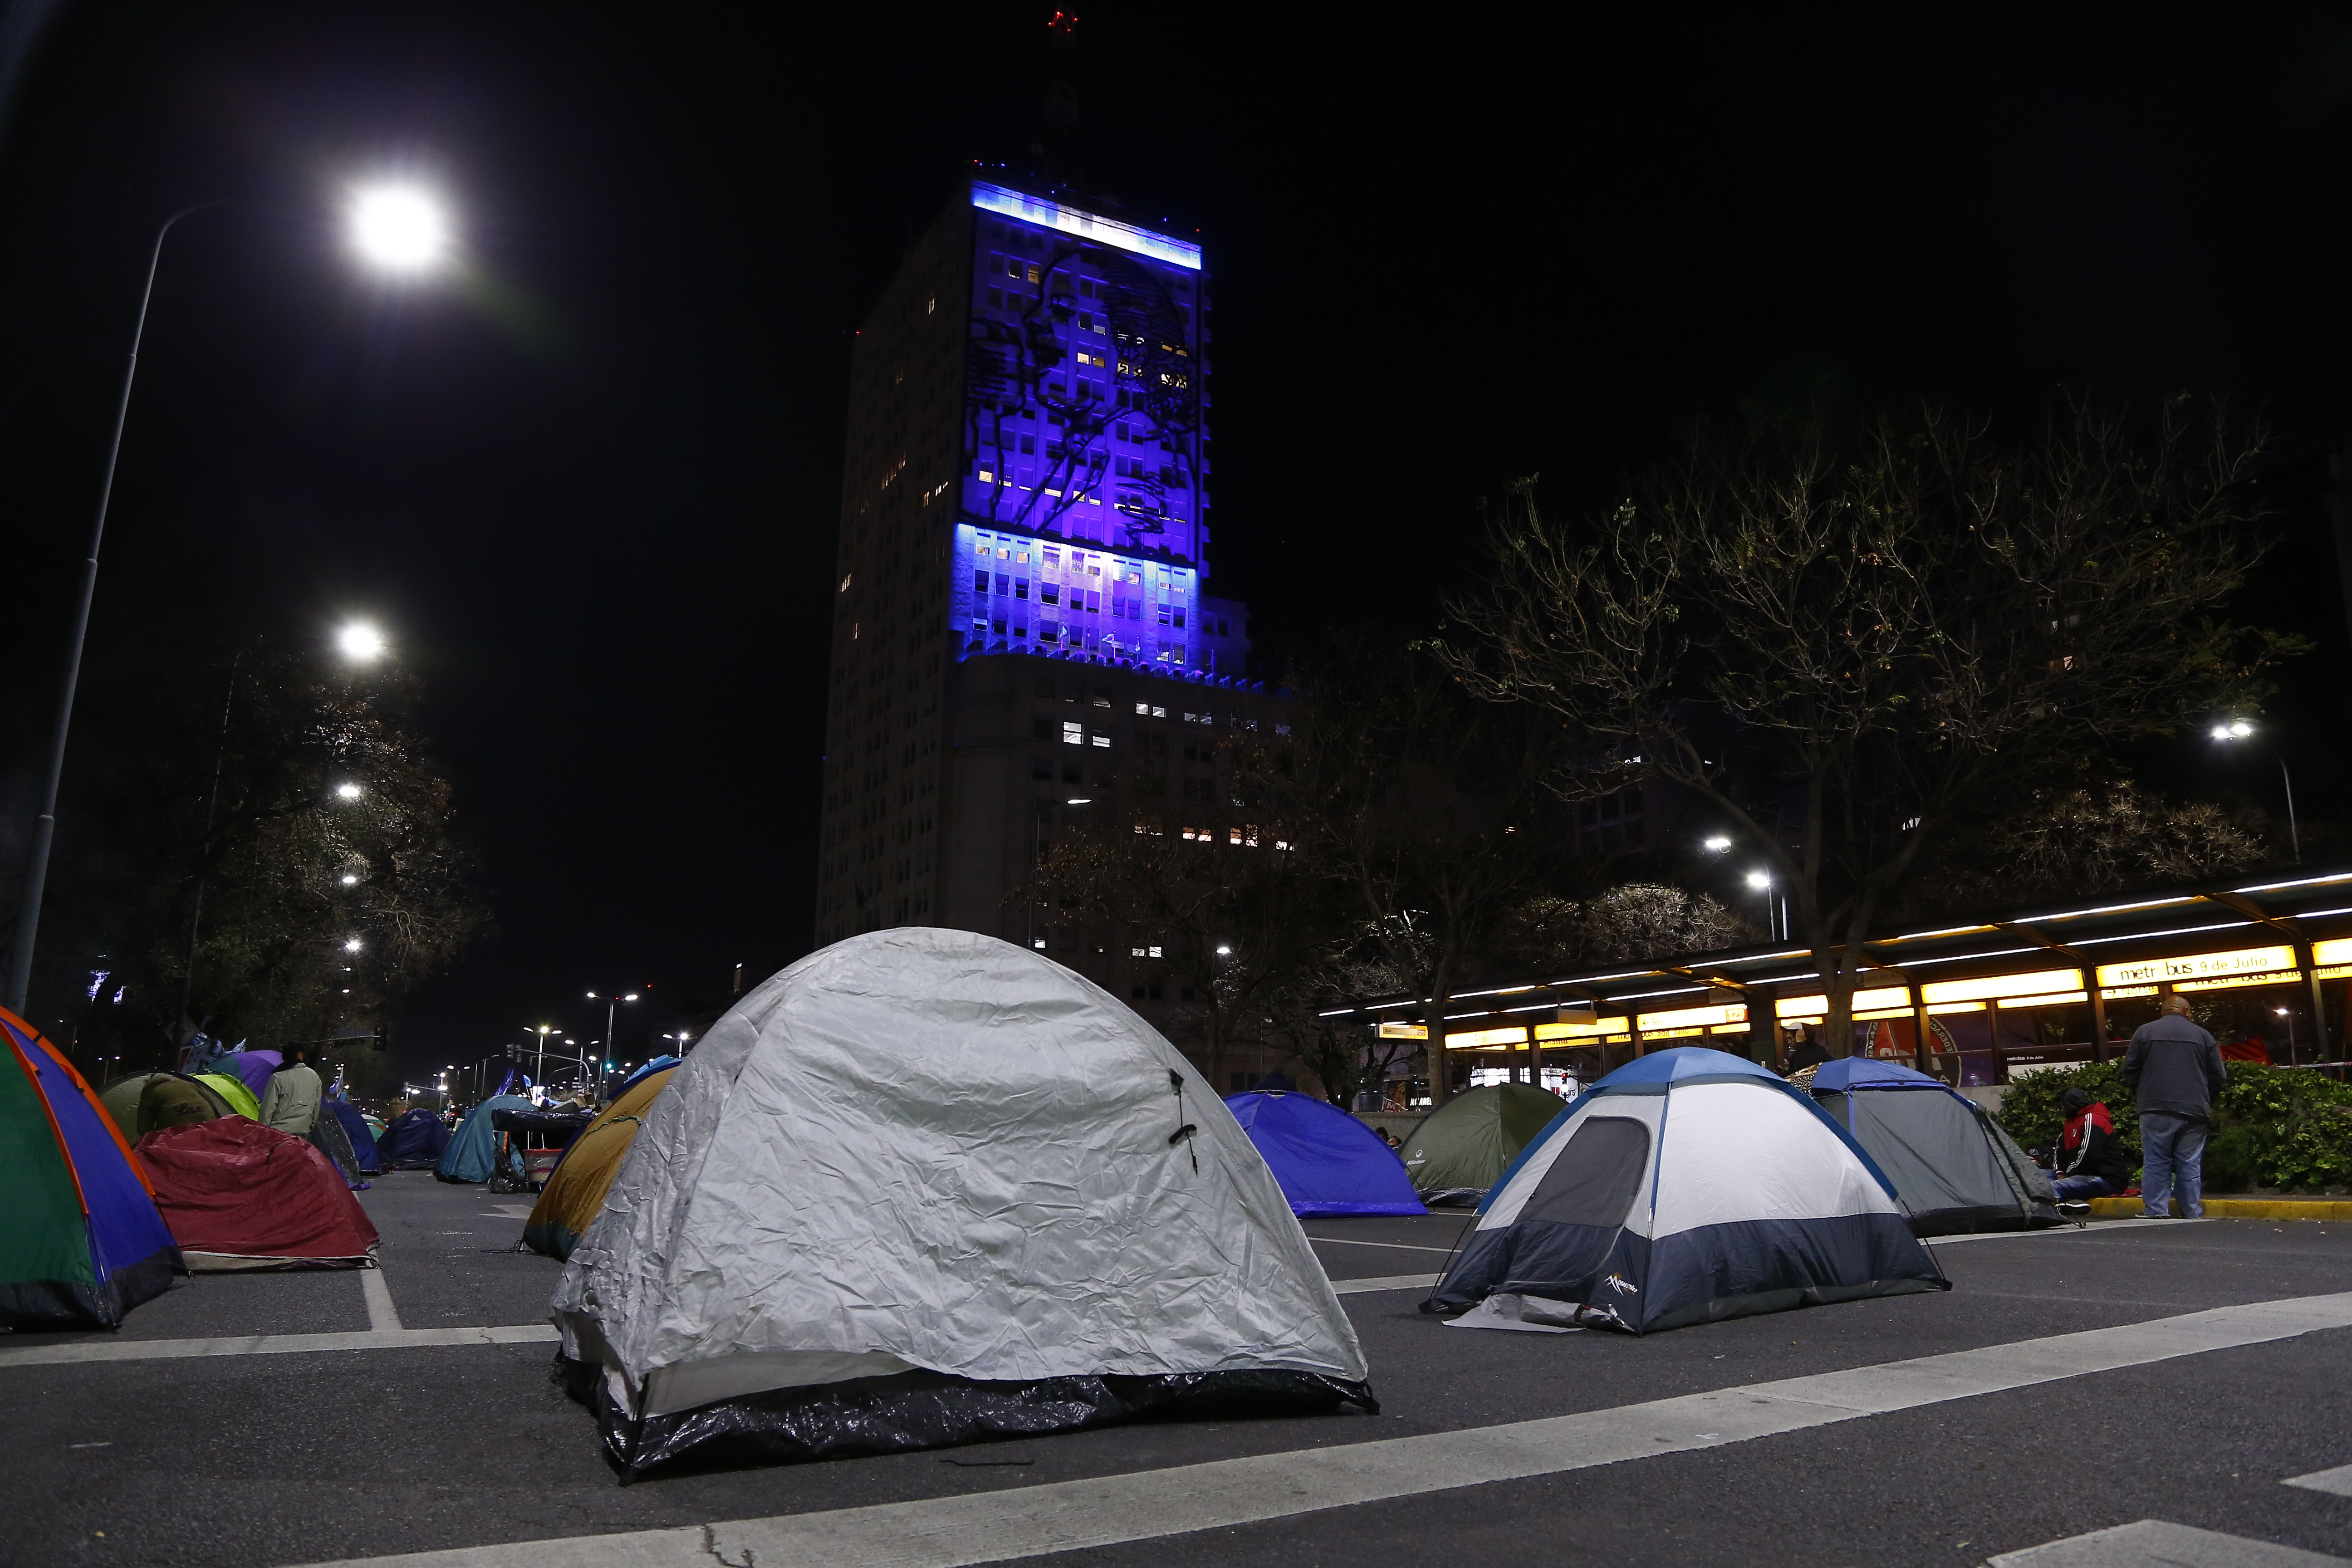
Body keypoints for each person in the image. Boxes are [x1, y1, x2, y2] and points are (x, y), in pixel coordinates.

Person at [2123, 994, 2228, 1219]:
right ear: (2187, 1011)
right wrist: (2205, 1097)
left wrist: (2143, 1094)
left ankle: (2157, 1210)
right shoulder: (2203, 1036)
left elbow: (2130, 1069)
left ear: (2163, 1011)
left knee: (2156, 1159)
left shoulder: (2144, 1032)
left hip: (2155, 1108)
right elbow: (2219, 1075)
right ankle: (2191, 1210)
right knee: (2189, 1161)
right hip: (2195, 1108)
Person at [2048, 1086, 2129, 1212]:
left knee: (2050, 1187)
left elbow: (2090, 1155)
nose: (2062, 1109)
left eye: (2063, 1105)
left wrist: (2068, 1175)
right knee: (2037, 1177)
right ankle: (2071, 1202)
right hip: (2080, 1175)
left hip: (2106, 1179)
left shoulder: (2093, 1120)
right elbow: (2060, 1150)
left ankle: (2053, 1208)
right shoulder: (2070, 1123)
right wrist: (2060, 1172)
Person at [258, 1044, 324, 1137]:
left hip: (279, 1133)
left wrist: (263, 1133)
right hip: (302, 1132)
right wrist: (309, 1128)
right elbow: (316, 1109)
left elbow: (268, 1108)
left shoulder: (278, 1077)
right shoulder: (315, 1077)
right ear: (300, 1055)